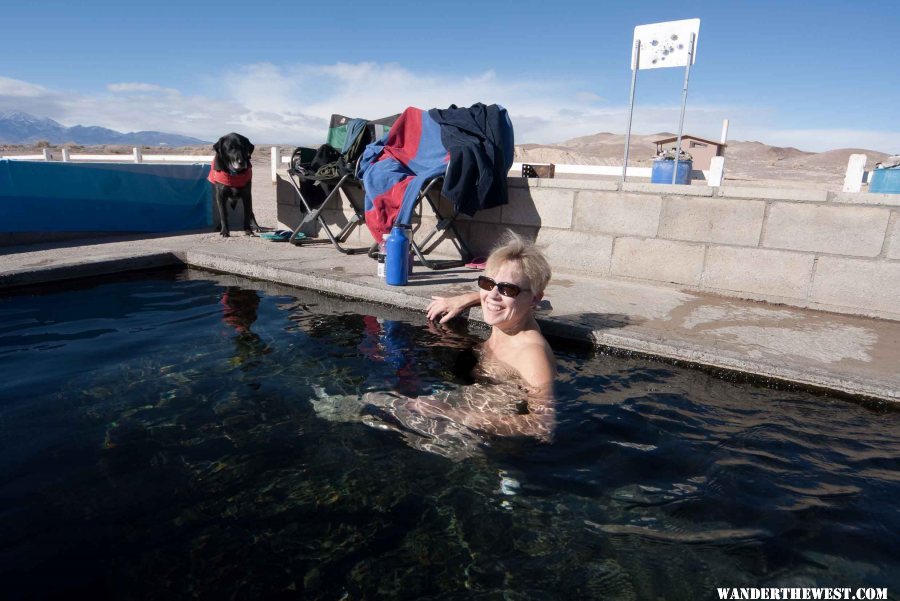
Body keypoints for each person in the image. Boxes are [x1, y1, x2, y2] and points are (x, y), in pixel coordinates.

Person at [417, 231, 557, 441]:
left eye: (507, 289)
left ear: (534, 298)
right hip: (473, 410)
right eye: (487, 283)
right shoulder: (509, 321)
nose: (492, 295)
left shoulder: (531, 353)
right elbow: (501, 297)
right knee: (378, 403)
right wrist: (466, 298)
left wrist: (450, 414)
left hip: (481, 439)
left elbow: (543, 426)